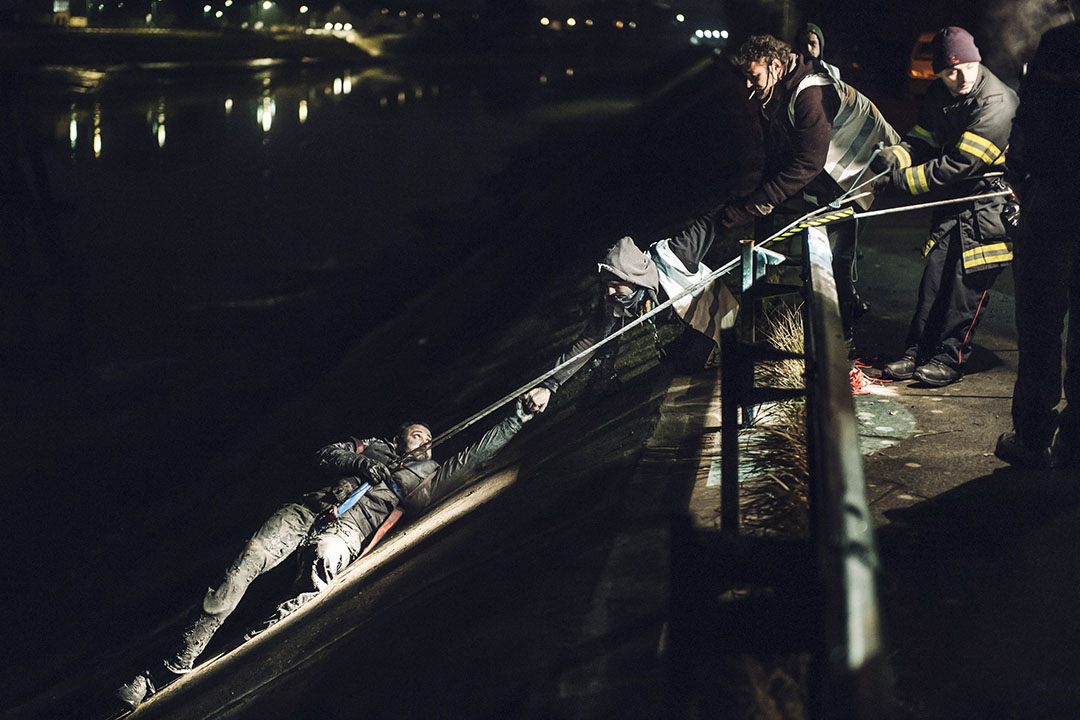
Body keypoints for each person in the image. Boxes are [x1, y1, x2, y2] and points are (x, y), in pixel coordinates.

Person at [115, 402, 534, 709]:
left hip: (348, 529)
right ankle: (174, 662)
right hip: (309, 508)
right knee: (248, 559)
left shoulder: (425, 476)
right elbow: (324, 452)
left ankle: (262, 637)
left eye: (428, 438)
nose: (425, 440)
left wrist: (518, 417)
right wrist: (360, 463)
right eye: (418, 433)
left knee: (325, 560)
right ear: (398, 436)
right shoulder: (373, 447)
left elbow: (473, 455)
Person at [723, 34, 899, 392]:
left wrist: (760, 201)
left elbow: (807, 163)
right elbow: (777, 156)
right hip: (831, 178)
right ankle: (832, 349)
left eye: (752, 76)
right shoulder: (773, 91)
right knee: (821, 262)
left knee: (834, 264)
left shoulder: (810, 93)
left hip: (864, 171)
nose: (746, 84)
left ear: (774, 66)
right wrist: (761, 210)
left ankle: (846, 362)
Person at [877, 27, 1018, 387]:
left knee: (964, 289)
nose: (961, 77)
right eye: (950, 71)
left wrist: (898, 183)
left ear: (977, 60)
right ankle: (916, 352)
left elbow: (954, 165)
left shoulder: (997, 103)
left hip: (986, 207)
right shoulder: (940, 92)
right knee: (934, 282)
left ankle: (949, 359)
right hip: (955, 202)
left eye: (967, 67)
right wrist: (899, 154)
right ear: (938, 72)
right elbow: (925, 137)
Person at [522, 209, 739, 414]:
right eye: (607, 283)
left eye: (616, 283)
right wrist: (549, 385)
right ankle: (604, 380)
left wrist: (743, 206)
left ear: (634, 279)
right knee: (662, 357)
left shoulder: (678, 253)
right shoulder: (615, 299)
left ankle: (705, 346)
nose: (610, 290)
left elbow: (708, 222)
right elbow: (588, 341)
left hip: (713, 315)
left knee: (693, 364)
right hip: (679, 318)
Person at [994, 20, 1080, 468]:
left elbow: (1029, 121)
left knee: (1042, 323)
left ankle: (1032, 437)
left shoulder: (1061, 43)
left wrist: (1020, 175)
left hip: (1055, 202)